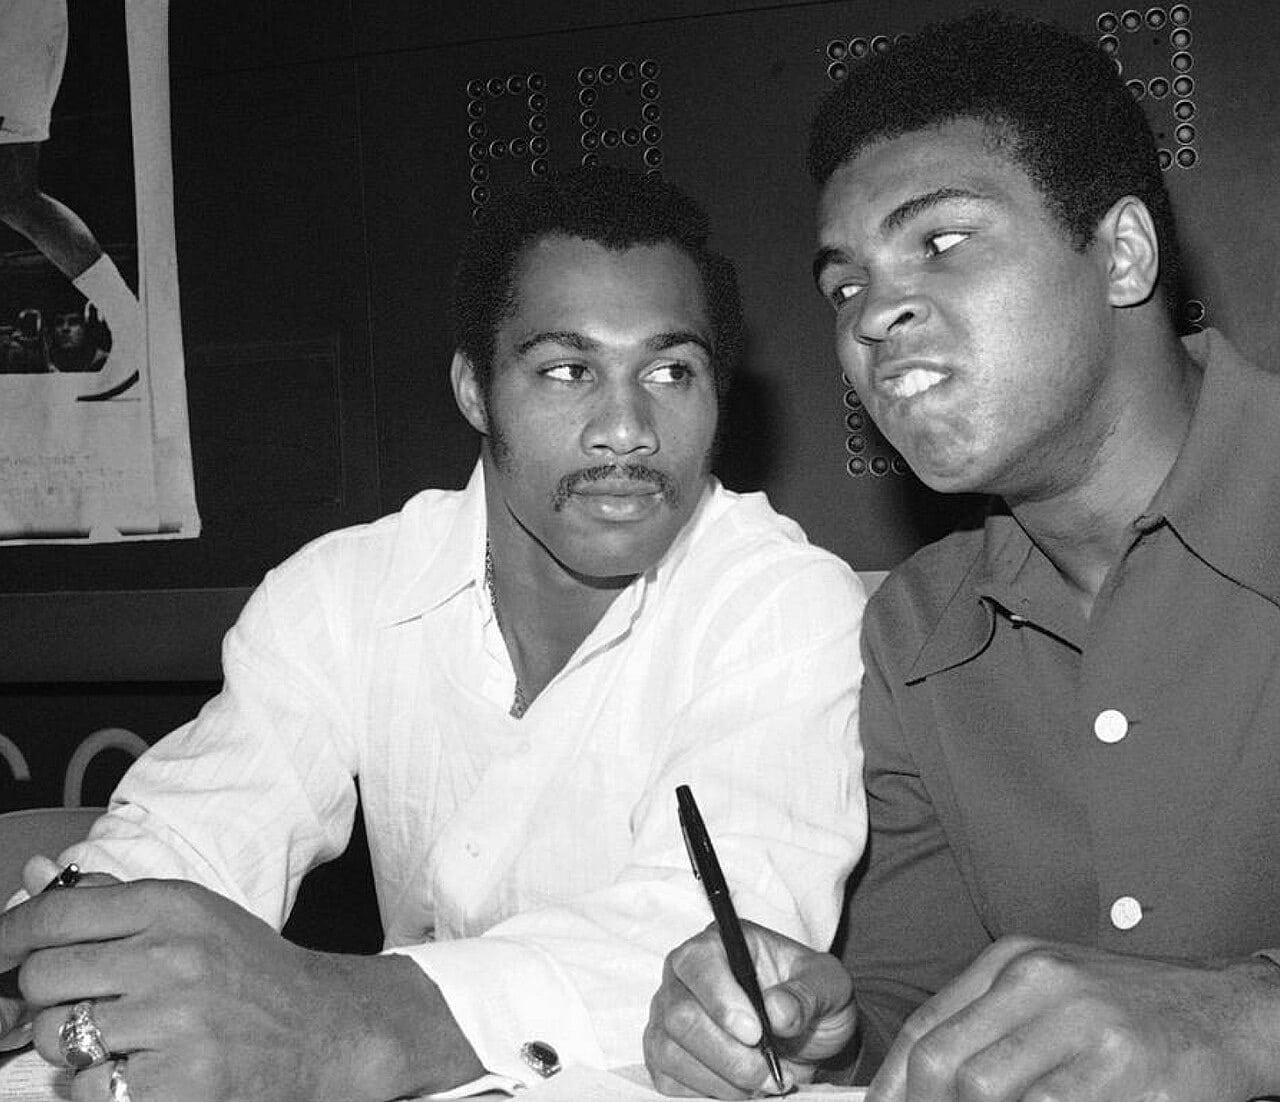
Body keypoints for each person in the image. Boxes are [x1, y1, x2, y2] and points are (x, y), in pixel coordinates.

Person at [0, 165, 867, 1102]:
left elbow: (709, 944)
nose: (627, 429)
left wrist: (347, 1022)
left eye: (670, 371)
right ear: (473, 391)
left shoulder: (782, 604)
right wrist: (54, 948)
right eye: (567, 370)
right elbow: (195, 832)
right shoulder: (341, 595)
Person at [645, 10, 1280, 1101]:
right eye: (842, 285)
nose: (873, 315)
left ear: (1121, 253)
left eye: (940, 242)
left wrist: (1245, 1019)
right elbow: (919, 1008)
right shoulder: (914, 627)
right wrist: (812, 1034)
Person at [0, 0, 142, 400]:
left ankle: (131, 324)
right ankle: (130, 323)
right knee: (14, 196)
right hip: (22, 23)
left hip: (16, 23)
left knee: (15, 195)